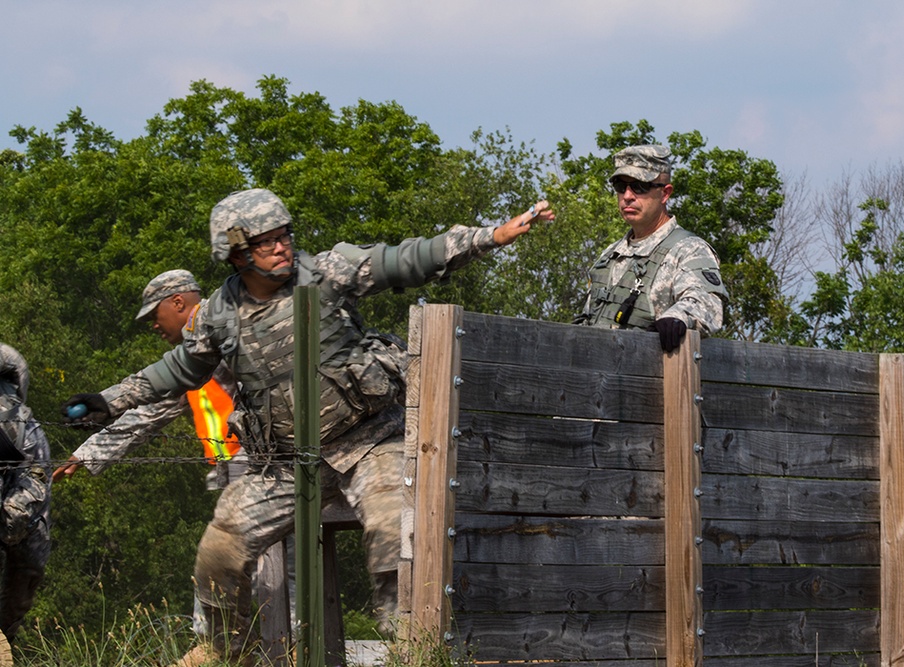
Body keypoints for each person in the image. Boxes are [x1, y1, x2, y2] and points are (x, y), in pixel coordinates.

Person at [62, 188, 553, 664]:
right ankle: (227, 652)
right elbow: (177, 371)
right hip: (287, 463)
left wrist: (490, 236)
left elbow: (407, 259)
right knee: (219, 550)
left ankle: (414, 653)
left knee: (393, 537)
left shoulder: (326, 273)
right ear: (235, 254)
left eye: (284, 234)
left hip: (368, 440)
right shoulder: (217, 314)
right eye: (265, 241)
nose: (281, 246)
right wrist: (108, 400)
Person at [52, 270, 243, 489]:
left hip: (266, 464)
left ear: (178, 302)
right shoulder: (195, 359)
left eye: (155, 315)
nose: (154, 325)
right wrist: (87, 454)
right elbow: (147, 414)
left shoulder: (226, 330)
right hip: (239, 470)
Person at [575, 144, 727, 351]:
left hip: (651, 375)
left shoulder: (688, 249)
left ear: (665, 194)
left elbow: (706, 303)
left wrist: (677, 317)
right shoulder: (610, 255)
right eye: (621, 186)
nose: (627, 195)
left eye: (640, 186)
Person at [0, 343, 51, 647]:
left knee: (29, 559)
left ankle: (5, 634)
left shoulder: (24, 426)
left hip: (27, 458)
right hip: (26, 448)